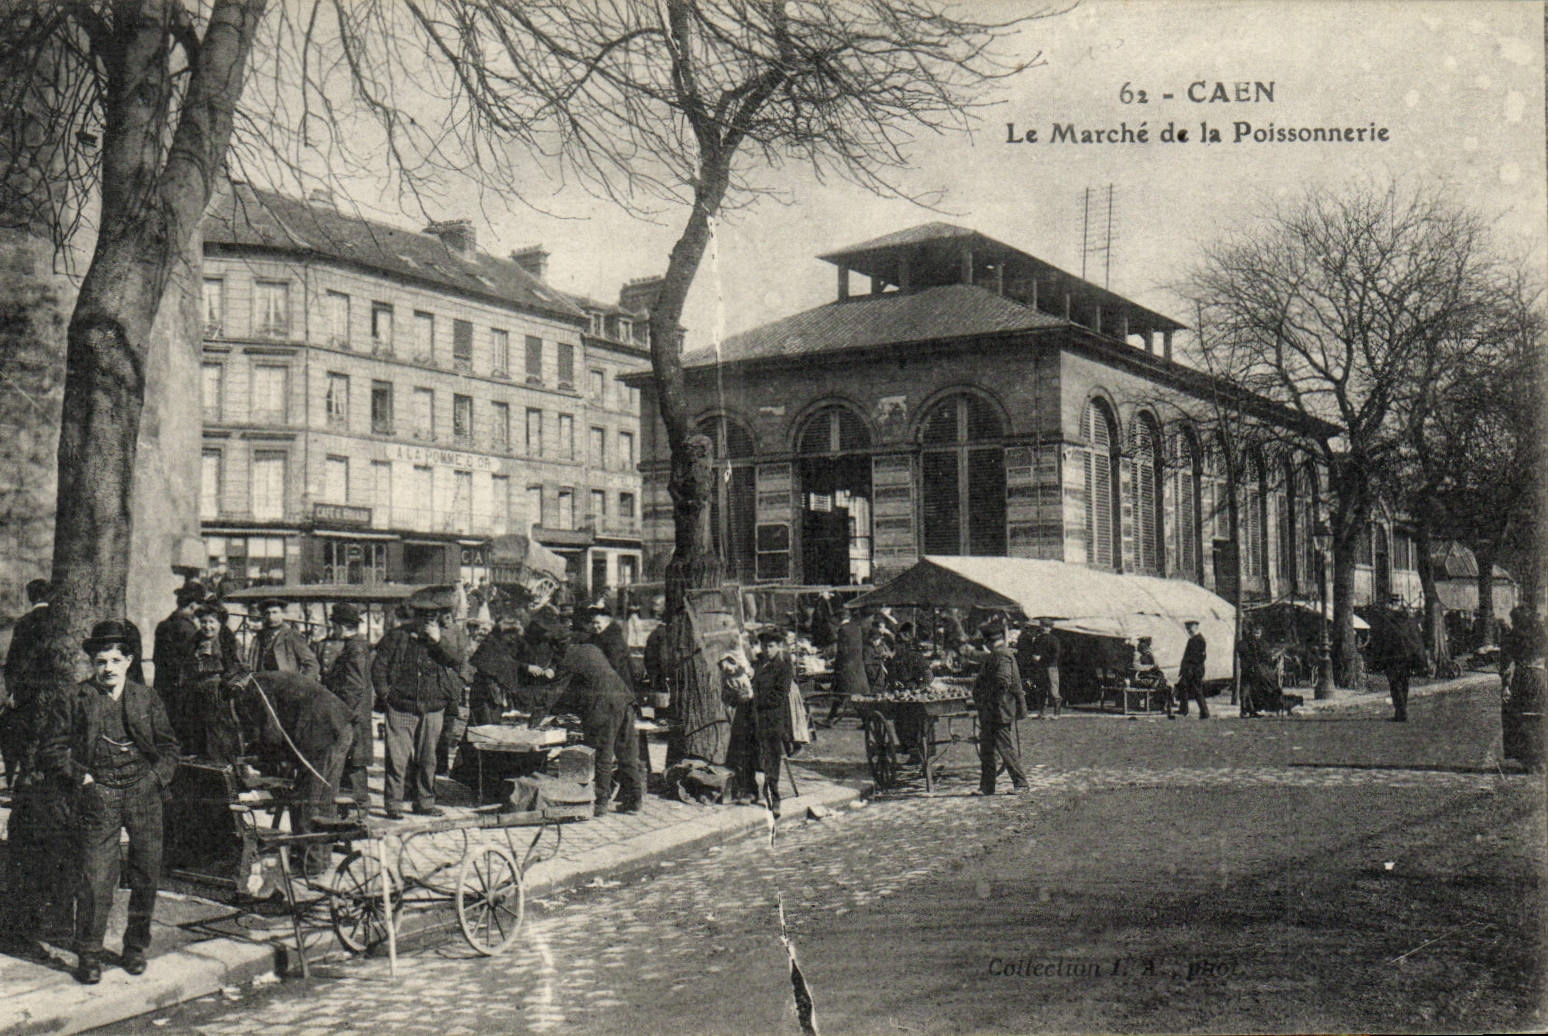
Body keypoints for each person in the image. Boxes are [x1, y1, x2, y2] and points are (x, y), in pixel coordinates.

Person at [37, 620, 180, 984]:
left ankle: (135, 948)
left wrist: (155, 778)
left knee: (147, 874)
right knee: (96, 879)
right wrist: (79, 777)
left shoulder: (146, 698)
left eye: (115, 660)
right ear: (92, 664)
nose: (108, 669)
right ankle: (89, 953)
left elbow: (169, 748)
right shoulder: (75, 697)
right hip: (98, 795)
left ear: (129, 661)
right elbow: (51, 750)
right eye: (101, 662)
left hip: (142, 794)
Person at [526, 615, 642, 815]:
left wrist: (533, 721)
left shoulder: (568, 658)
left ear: (556, 648)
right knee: (627, 752)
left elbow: (553, 692)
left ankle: (600, 803)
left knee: (602, 753)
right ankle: (635, 800)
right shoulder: (592, 649)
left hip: (604, 707)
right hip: (625, 700)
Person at [242, 671, 355, 876]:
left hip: (320, 734)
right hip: (340, 727)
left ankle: (308, 864)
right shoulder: (270, 679)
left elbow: (272, 732)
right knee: (324, 799)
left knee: (305, 800)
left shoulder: (257, 687)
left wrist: (261, 758)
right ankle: (321, 859)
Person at [371, 586, 468, 819]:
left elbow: (456, 660)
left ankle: (424, 802)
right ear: (415, 615)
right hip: (401, 706)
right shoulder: (397, 636)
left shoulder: (445, 638)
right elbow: (379, 667)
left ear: (438, 617)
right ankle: (393, 804)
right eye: (423, 615)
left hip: (434, 707)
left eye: (432, 616)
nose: (427, 620)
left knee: (428, 759)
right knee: (397, 759)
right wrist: (386, 695)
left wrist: (437, 641)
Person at [322, 604, 374, 818]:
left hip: (352, 718)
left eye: (334, 626)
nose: (333, 630)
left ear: (341, 627)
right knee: (352, 763)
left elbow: (354, 687)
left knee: (354, 764)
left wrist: (341, 714)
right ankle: (353, 811)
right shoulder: (355, 646)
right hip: (354, 716)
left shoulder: (355, 649)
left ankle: (358, 812)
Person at [3, 578, 54, 788]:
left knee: (25, 737)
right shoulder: (58, 620)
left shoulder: (24, 623)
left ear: (30, 597)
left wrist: (13, 691)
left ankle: (23, 779)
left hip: (27, 690)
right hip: (52, 687)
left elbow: (14, 661)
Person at [186, 602, 248, 764]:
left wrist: (230, 683)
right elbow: (185, 669)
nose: (207, 626)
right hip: (198, 692)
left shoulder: (230, 643)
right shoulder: (194, 643)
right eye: (203, 622)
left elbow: (241, 669)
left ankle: (225, 765)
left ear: (220, 623)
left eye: (211, 622)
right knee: (200, 733)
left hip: (220, 693)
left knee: (220, 733)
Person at [972, 618, 1028, 796]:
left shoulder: (1001, 654)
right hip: (992, 709)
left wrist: (984, 696)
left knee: (1004, 747)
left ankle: (1021, 783)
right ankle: (987, 786)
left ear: (988, 641)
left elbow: (1002, 681)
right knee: (987, 748)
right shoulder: (998, 653)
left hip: (998, 709)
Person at [749, 627, 795, 815]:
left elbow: (778, 695)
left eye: (771, 646)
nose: (767, 650)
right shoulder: (758, 663)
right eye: (764, 645)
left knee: (771, 759)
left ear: (779, 647)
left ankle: (774, 799)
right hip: (754, 718)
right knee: (751, 755)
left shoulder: (783, 667)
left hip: (773, 719)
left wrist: (753, 697)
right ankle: (750, 791)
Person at [152, 580, 205, 715]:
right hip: (182, 689)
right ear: (193, 605)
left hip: (162, 685)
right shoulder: (188, 629)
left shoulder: (163, 624)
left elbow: (157, 658)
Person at [1374, 595, 1426, 723]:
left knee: (1395, 684)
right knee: (1404, 683)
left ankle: (1400, 711)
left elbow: (1382, 640)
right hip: (1407, 657)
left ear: (1391, 605)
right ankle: (1403, 710)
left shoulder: (1387, 620)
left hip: (1392, 657)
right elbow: (1417, 638)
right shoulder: (1409, 620)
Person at [248, 598, 319, 680]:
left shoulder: (292, 636)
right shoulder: (258, 639)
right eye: (267, 613)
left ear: (283, 614)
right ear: (263, 616)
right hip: (263, 687)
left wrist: (300, 685)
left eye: (275, 612)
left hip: (286, 687)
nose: (271, 617)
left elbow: (312, 665)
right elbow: (251, 666)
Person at [827, 606, 870, 726]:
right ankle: (830, 719)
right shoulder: (856, 628)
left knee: (847, 694)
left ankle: (866, 720)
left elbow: (843, 650)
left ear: (839, 618)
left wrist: (834, 661)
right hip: (857, 665)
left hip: (846, 667)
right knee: (843, 695)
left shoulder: (843, 630)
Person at [1017, 616, 1063, 719]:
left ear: (1050, 628)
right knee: (1041, 690)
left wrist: (1041, 657)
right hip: (1040, 667)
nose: (1044, 628)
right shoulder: (1038, 639)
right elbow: (1034, 651)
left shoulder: (1054, 639)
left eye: (1046, 626)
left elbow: (1055, 654)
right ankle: (1042, 712)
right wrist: (1034, 656)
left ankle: (1057, 713)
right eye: (1042, 625)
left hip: (1050, 667)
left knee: (1053, 690)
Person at [587, 604, 636, 694]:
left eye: (598, 623)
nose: (595, 626)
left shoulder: (614, 640)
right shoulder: (597, 637)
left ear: (607, 623)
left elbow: (614, 664)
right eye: (593, 623)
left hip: (617, 685)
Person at [1176, 620, 1210, 719]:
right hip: (1189, 669)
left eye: (1190, 628)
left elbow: (1198, 657)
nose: (1188, 630)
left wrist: (1191, 669)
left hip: (1194, 670)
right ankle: (1184, 710)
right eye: (1187, 628)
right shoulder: (1193, 639)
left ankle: (1204, 712)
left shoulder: (1199, 640)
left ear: (1196, 627)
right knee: (1183, 687)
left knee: (1196, 690)